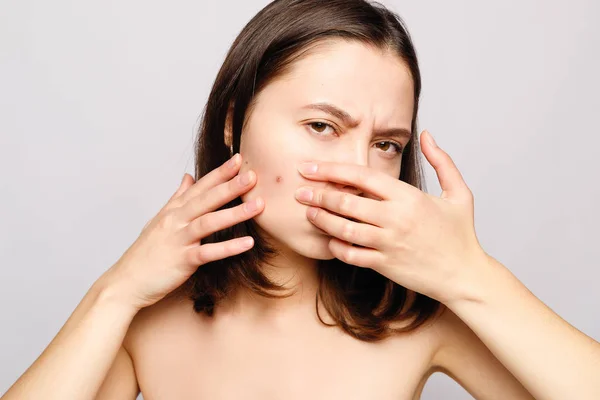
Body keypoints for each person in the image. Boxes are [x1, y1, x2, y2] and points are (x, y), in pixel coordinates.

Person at [3, 0, 599, 399]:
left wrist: (474, 276)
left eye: (387, 144)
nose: (355, 171)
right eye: (322, 127)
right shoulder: (145, 323)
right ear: (234, 122)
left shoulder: (417, 313)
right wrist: (116, 292)